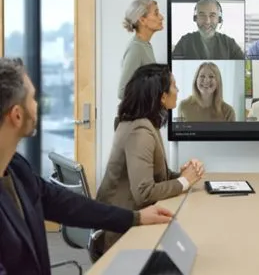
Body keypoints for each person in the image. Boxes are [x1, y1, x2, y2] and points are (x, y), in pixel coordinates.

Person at [0, 58, 173, 275]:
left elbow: (64, 204)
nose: (37, 105)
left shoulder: (16, 169)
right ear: (17, 115)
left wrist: (135, 218)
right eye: (33, 99)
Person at [97, 63, 205, 253]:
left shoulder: (141, 123)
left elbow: (152, 177)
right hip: (120, 231)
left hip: (124, 218)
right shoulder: (140, 130)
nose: (177, 90)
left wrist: (181, 175)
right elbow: (144, 192)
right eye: (174, 86)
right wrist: (184, 181)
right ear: (162, 97)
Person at [116, 0, 164, 129]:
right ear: (142, 20)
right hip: (136, 127)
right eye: (156, 13)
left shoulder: (145, 45)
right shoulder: (136, 48)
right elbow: (122, 92)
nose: (161, 17)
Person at [172, 0, 244, 59]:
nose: (207, 21)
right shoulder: (185, 41)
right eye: (202, 15)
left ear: (219, 19)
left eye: (212, 15)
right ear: (195, 18)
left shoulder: (229, 43)